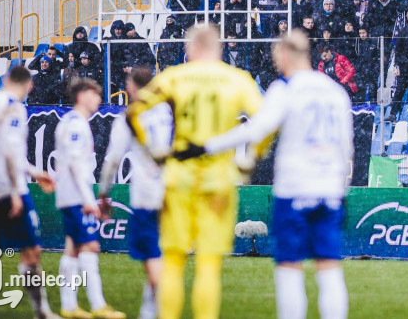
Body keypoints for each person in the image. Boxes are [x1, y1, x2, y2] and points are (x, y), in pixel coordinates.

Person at [173, 32, 352, 319]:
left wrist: (205, 146)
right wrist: (341, 190)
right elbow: (346, 146)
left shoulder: (286, 89)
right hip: (328, 189)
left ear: (283, 55)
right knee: (328, 266)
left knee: (290, 268)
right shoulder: (335, 92)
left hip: (294, 188)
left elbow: (256, 129)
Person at [126, 24, 262, 319]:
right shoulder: (236, 79)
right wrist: (248, 160)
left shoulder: (175, 76)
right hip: (219, 180)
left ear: (192, 48)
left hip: (179, 178)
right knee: (208, 264)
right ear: (219, 48)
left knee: (173, 261)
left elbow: (134, 111)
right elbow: (264, 122)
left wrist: (155, 151)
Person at [0, 66, 55, 319]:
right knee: (31, 249)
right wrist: (16, 191)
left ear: (6, 79)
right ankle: (42, 310)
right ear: (29, 85)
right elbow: (9, 151)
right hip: (10, 186)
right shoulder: (14, 107)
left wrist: (34, 172)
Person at [99, 68, 172, 319]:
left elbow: (112, 161)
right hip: (170, 189)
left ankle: (166, 306)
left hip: (146, 194)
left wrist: (103, 193)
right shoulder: (165, 111)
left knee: (151, 255)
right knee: (160, 251)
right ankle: (148, 311)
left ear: (132, 87)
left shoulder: (129, 117)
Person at [54, 78, 124, 319]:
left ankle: (70, 306)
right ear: (82, 95)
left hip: (70, 194)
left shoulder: (72, 122)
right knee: (90, 246)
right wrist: (87, 199)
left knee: (72, 249)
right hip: (75, 195)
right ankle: (98, 305)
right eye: (96, 94)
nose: (99, 99)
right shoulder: (76, 124)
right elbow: (74, 164)